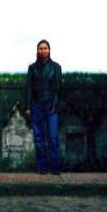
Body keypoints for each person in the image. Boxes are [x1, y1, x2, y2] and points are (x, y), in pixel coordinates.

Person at [25, 39, 62, 175]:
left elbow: (58, 88)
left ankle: (55, 166)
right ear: (37, 50)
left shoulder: (56, 67)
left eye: (45, 48)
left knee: (53, 136)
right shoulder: (32, 68)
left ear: (49, 50)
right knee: (39, 137)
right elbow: (28, 88)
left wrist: (55, 104)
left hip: (51, 105)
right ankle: (42, 166)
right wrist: (28, 107)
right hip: (36, 105)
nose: (43, 50)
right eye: (40, 48)